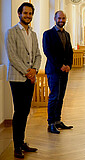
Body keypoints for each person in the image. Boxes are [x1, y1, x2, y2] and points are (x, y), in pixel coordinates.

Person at [5, 2, 41, 158]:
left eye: (30, 13)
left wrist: (34, 70)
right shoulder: (11, 32)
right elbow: (12, 56)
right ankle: (16, 146)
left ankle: (22, 141)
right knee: (19, 112)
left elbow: (38, 55)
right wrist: (28, 72)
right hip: (17, 78)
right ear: (19, 14)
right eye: (25, 13)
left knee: (26, 112)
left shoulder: (32, 34)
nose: (28, 16)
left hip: (30, 78)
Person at [43, 11, 73, 134]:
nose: (61, 20)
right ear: (55, 19)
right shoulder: (48, 34)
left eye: (63, 18)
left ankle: (57, 121)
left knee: (61, 96)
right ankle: (50, 123)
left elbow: (69, 51)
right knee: (54, 96)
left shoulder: (66, 34)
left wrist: (69, 66)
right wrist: (60, 65)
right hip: (54, 70)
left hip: (64, 70)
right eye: (59, 18)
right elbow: (47, 52)